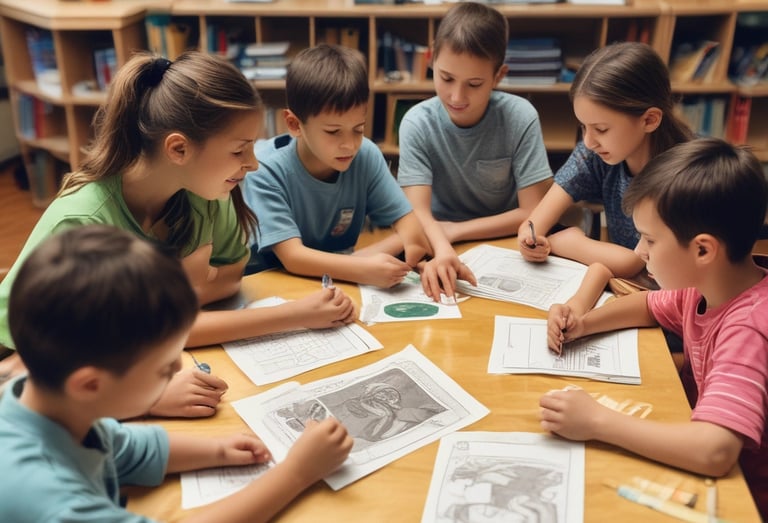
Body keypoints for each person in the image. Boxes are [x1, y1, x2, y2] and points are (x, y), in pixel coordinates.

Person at [0, 51, 356, 417]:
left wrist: (161, 310)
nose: (253, 163)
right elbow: (33, 375)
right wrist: (150, 397)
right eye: (239, 149)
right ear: (179, 149)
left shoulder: (205, 191)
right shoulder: (79, 223)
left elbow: (232, 275)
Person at [0, 225, 353, 523]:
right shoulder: (49, 499)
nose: (179, 368)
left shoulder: (48, 403)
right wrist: (296, 473)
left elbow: (125, 446)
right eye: (165, 367)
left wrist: (217, 450)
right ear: (90, 384)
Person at [539, 138, 768, 519]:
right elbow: (646, 305)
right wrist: (584, 322)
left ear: (702, 250)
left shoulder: (748, 327)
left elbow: (715, 450)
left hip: (744, 496)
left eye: (649, 239)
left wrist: (597, 421)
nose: (640, 253)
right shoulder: (706, 288)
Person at [396, 1, 553, 301]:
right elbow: (419, 213)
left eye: (475, 84)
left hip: (505, 242)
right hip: (435, 241)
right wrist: (443, 245)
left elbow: (533, 211)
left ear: (498, 76)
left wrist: (456, 231)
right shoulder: (416, 122)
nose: (457, 96)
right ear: (430, 59)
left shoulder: (520, 117)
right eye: (446, 78)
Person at [243, 44, 431, 288]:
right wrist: (362, 267)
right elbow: (293, 258)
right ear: (294, 124)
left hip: (338, 280)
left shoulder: (366, 154)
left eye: (359, 129)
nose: (350, 145)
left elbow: (411, 229)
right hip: (273, 282)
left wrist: (419, 253)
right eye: (333, 132)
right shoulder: (263, 169)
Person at [519, 41, 695, 280]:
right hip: (628, 288)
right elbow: (533, 224)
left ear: (650, 120)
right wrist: (531, 240)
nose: (589, 141)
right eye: (583, 126)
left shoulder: (685, 174)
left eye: (601, 129)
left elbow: (635, 261)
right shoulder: (595, 154)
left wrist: (569, 242)